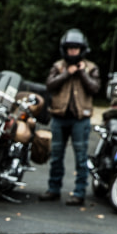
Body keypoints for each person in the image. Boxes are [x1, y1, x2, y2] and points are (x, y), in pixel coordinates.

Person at [40, 28, 101, 206]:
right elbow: (50, 85)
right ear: (64, 49)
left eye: (76, 48)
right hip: (59, 117)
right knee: (56, 155)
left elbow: (95, 88)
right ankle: (53, 189)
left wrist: (81, 73)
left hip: (80, 119)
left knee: (81, 157)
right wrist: (68, 72)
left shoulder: (91, 68)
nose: (72, 51)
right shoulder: (58, 66)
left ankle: (79, 192)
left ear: (82, 49)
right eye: (69, 48)